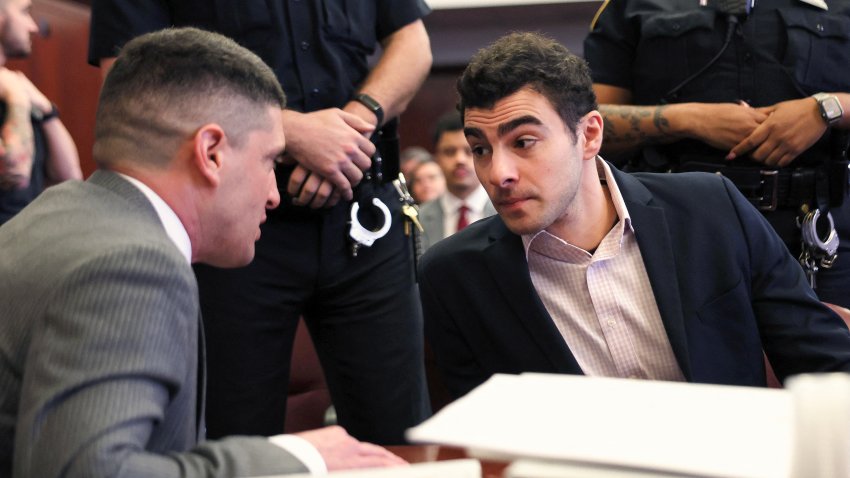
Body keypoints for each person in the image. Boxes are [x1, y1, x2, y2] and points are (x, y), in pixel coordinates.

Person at [0, 27, 408, 478]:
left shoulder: (55, 215)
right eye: (270, 162)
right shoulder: (132, 265)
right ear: (211, 152)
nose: (274, 195)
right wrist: (300, 457)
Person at [418, 32, 850, 401]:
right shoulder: (454, 275)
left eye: (524, 142)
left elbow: (827, 367)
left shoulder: (711, 211)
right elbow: (481, 434)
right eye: (481, 148)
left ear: (588, 134)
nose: (498, 173)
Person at [89, 0, 433, 444]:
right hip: (231, 225)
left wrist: (350, 130)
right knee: (234, 429)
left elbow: (413, 42)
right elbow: (131, 84)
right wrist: (289, 131)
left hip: (364, 210)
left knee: (401, 430)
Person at [583, 0, 850, 309]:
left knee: (827, 352)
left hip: (821, 238)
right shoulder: (631, 6)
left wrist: (828, 108)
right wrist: (689, 119)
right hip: (677, 236)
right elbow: (586, 127)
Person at [0, 0, 80, 224]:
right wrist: (17, 98)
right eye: (24, 12)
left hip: (25, 244)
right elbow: (15, 170)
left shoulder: (18, 89)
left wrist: (47, 112)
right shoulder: (15, 94)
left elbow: (70, 180)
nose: (33, 27)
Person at [418, 111, 496, 252]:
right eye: (449, 152)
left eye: (469, 151)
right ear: (437, 159)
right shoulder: (419, 219)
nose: (459, 160)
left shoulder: (504, 211)